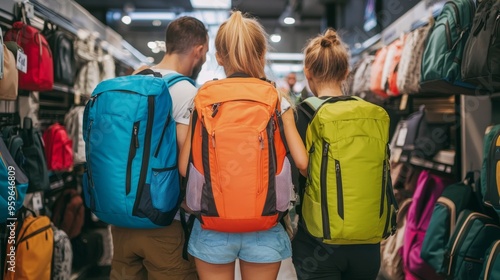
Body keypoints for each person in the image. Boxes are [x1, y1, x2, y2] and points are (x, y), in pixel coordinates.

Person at [178, 11, 308, 280]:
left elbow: (183, 168)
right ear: (262, 54)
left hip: (213, 224)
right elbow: (302, 162)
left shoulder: (203, 98)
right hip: (265, 223)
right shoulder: (277, 98)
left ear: (219, 57)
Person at [110, 16, 209, 280]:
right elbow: (188, 163)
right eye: (206, 53)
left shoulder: (133, 81)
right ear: (199, 50)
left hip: (121, 220)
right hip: (165, 224)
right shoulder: (187, 92)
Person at [291, 28, 385, 280]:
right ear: (346, 72)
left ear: (307, 73)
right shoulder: (372, 114)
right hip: (368, 243)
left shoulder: (302, 115)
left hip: (317, 241)